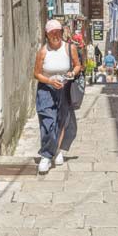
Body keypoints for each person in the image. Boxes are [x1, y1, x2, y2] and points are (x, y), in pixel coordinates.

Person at [33, 19, 82, 174]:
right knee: (48, 122)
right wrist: (49, 80)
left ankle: (58, 150)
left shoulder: (70, 48)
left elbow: (78, 65)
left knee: (62, 122)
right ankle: (46, 156)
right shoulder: (43, 51)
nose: (55, 35)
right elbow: (36, 74)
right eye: (52, 33)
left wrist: (72, 73)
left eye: (58, 32)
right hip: (46, 90)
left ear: (61, 32)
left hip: (64, 90)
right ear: (47, 35)